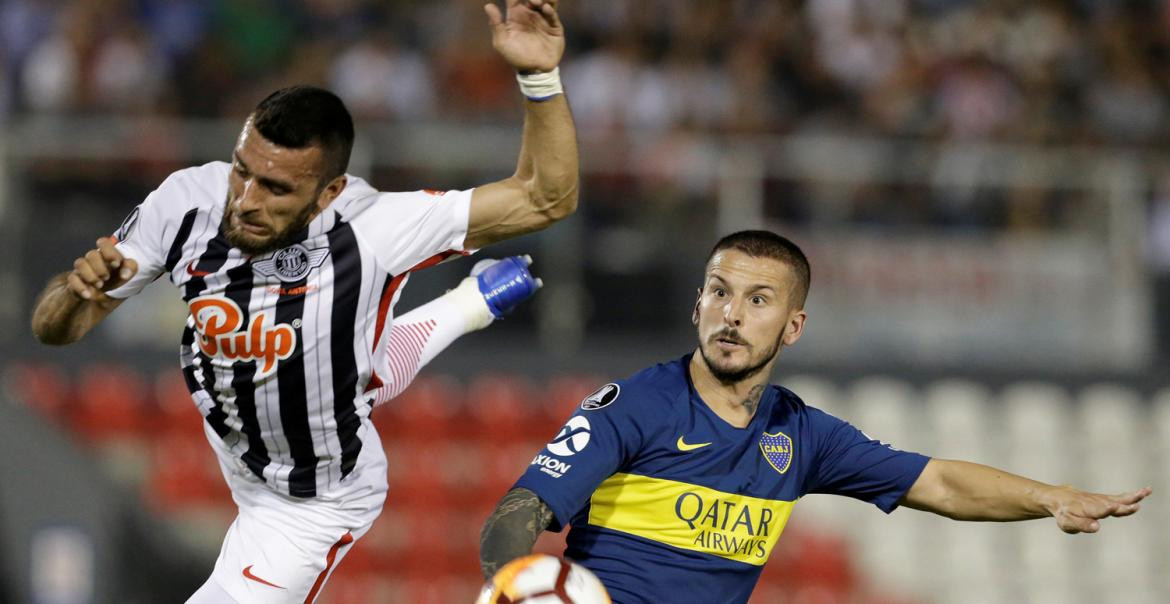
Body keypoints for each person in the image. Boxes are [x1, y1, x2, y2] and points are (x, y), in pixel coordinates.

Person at [29, 1, 575, 602]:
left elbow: (545, 198)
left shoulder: (374, 227)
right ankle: (469, 302)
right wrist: (73, 291)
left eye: (276, 188)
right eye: (243, 171)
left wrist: (539, 78)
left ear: (329, 192)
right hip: (244, 434)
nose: (246, 201)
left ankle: (463, 304)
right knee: (354, 365)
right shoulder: (187, 201)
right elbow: (57, 329)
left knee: (336, 373)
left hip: (308, 499)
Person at [478, 230, 1153, 604]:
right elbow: (516, 517)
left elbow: (938, 484)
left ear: (793, 326)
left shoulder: (800, 435)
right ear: (697, 306)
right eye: (719, 292)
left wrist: (1052, 497)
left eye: (758, 299)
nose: (732, 314)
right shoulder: (634, 407)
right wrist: (516, 590)